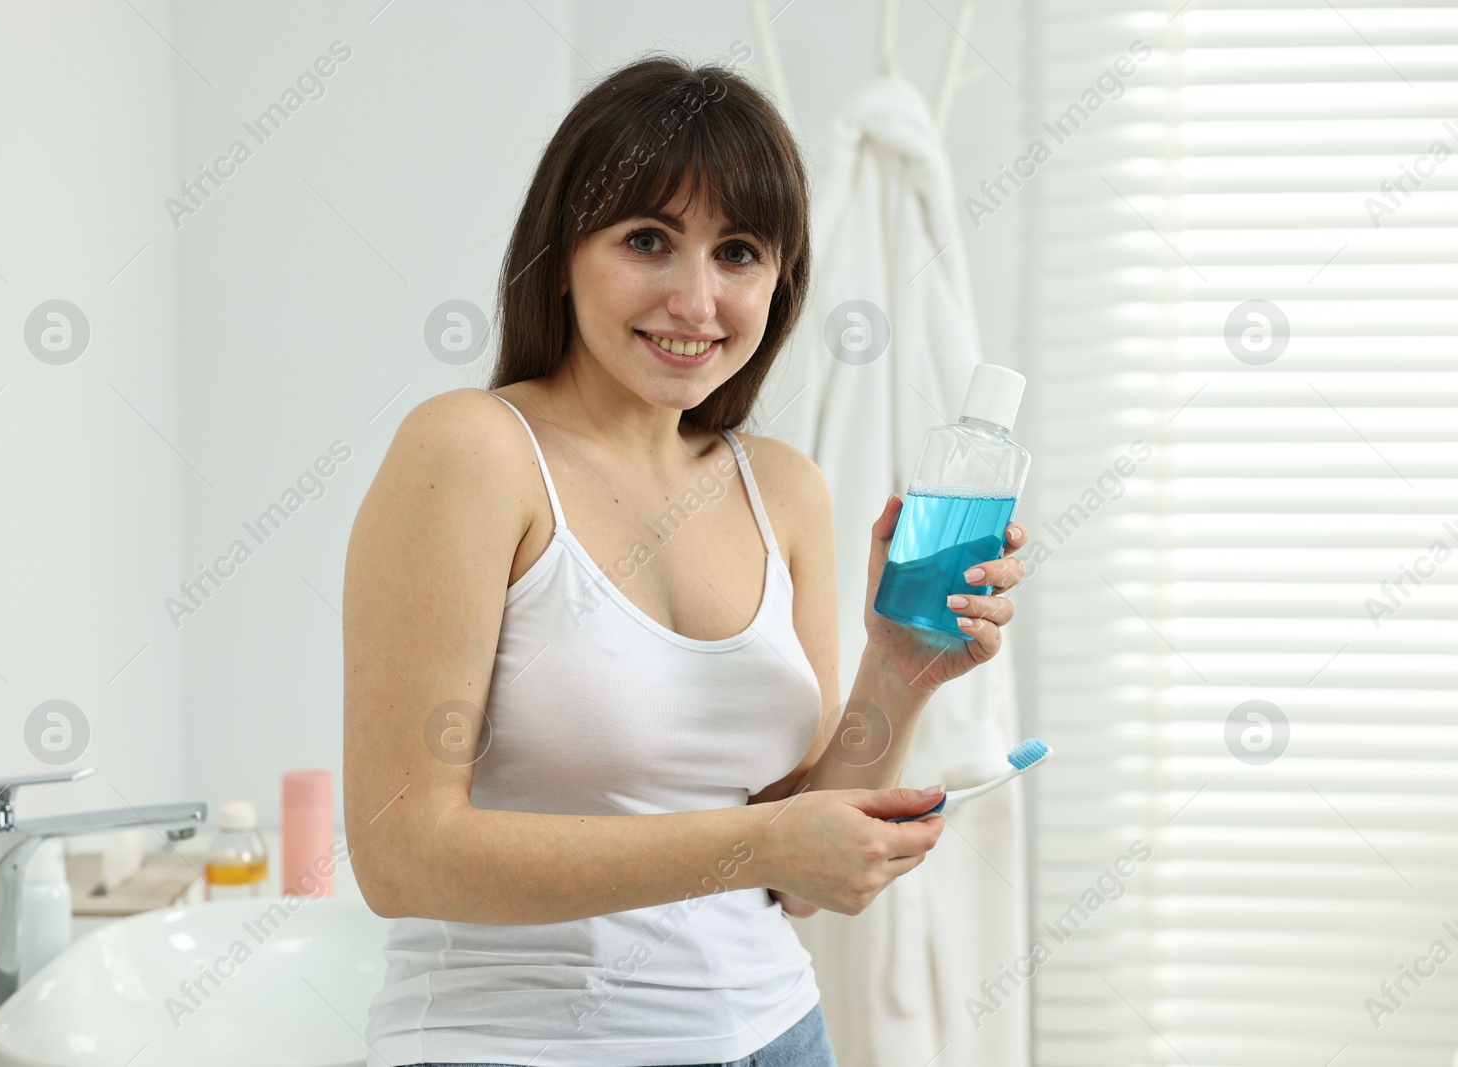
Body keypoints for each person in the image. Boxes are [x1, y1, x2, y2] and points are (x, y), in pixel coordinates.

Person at [342, 53, 1026, 1067]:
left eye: (739, 252)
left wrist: (901, 669)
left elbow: (795, 874)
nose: (695, 299)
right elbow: (403, 855)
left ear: (780, 280)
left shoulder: (781, 487)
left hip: (777, 1032)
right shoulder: (472, 452)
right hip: (515, 1046)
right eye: (648, 240)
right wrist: (761, 844)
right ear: (562, 251)